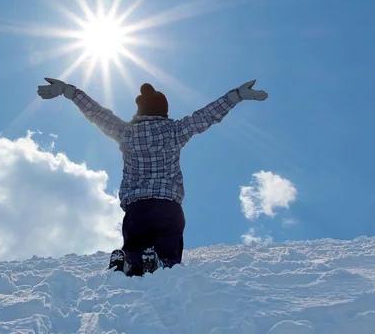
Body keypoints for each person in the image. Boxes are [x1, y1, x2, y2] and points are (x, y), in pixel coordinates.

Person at [37, 77, 268, 276]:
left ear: (140, 111)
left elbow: (97, 114)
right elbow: (205, 116)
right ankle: (162, 261)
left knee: (135, 243)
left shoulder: (125, 132)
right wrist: (235, 96)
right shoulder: (175, 130)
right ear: (164, 111)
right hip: (167, 206)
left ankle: (129, 261)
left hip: (137, 207)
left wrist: (70, 92)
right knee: (169, 245)